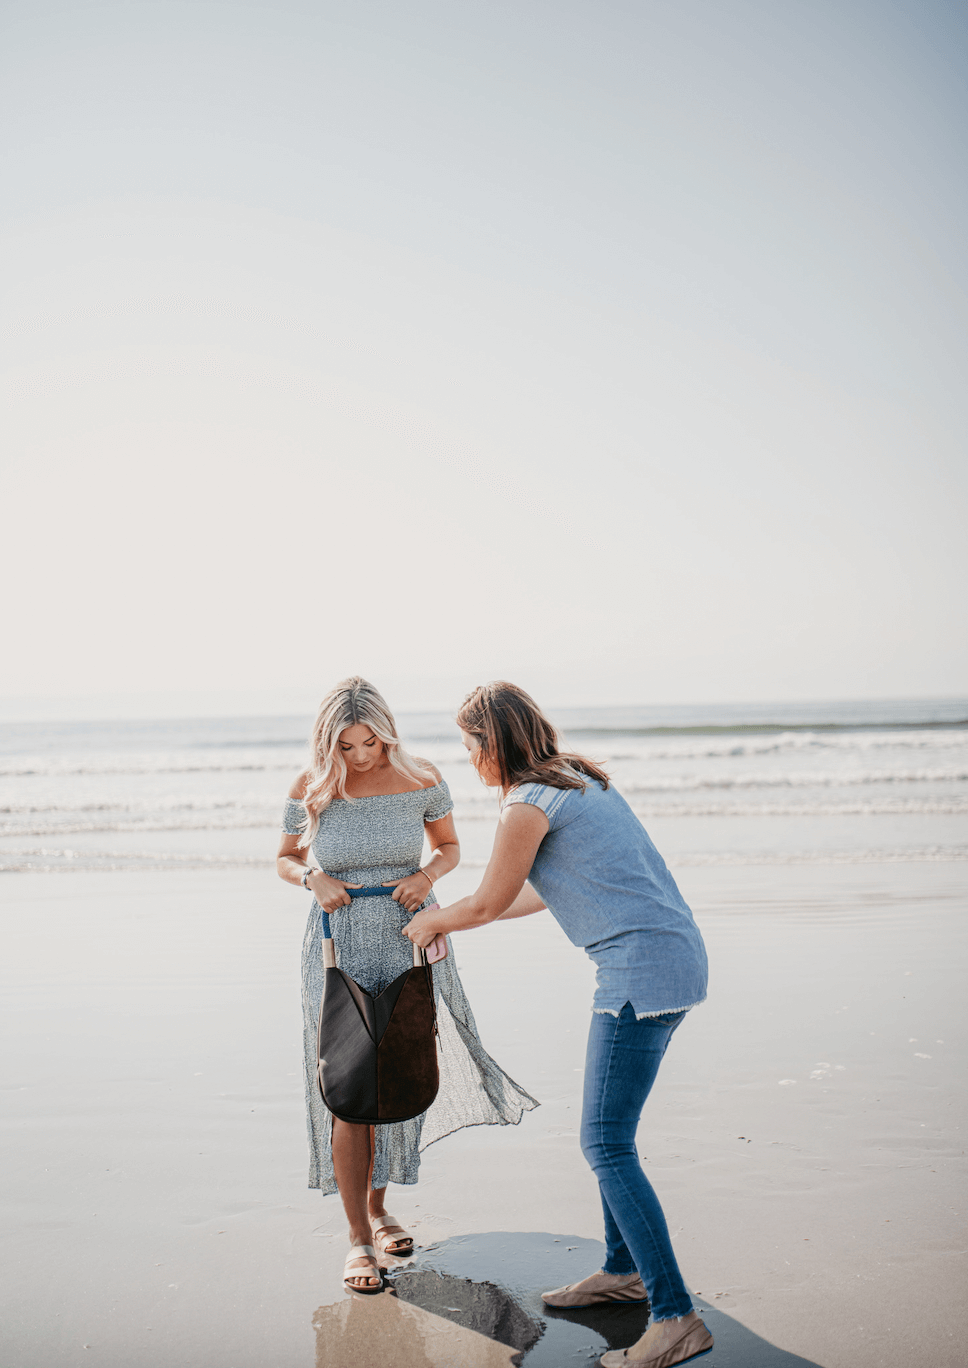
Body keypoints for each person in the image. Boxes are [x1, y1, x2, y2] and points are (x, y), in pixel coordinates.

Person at [403, 682, 713, 1368]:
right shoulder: (575, 779)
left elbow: (486, 902)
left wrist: (435, 917)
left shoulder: (525, 804)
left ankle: (676, 1317)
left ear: (494, 744)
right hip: (673, 958)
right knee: (613, 1134)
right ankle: (623, 1270)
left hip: (640, 974)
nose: (469, 758)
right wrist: (464, 915)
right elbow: (537, 892)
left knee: (604, 1142)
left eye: (470, 744)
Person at [276, 677, 537, 1296]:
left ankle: (379, 1206)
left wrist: (425, 876)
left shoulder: (421, 777)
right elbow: (284, 858)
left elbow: (448, 848)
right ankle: (357, 1240)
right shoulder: (311, 787)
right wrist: (312, 876)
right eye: (346, 746)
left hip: (410, 935)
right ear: (327, 742)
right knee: (345, 1084)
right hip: (336, 944)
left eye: (370, 741)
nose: (360, 756)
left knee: (395, 1073)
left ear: (387, 732)